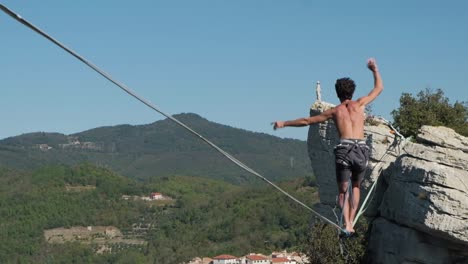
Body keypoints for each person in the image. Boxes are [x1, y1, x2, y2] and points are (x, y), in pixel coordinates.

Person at [272, 58, 383, 234]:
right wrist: (374, 70)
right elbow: (378, 89)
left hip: (345, 149)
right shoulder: (360, 104)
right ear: (352, 92)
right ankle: (352, 224)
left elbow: (307, 121)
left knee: (342, 191)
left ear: (337, 93)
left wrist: (284, 123)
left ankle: (346, 224)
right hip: (361, 149)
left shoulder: (335, 111)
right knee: (356, 186)